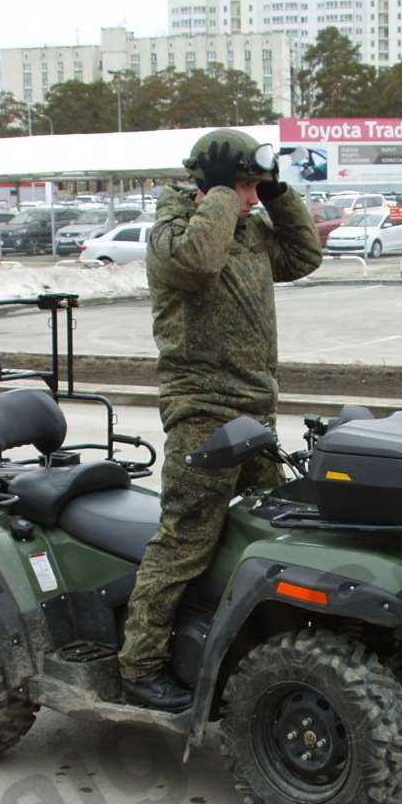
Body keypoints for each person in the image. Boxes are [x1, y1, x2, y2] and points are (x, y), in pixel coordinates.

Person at [117, 129, 323, 712]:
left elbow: (305, 256)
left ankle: (240, 646)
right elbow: (199, 264)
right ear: (210, 183)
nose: (252, 198)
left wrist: (278, 194)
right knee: (185, 541)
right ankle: (141, 665)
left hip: (255, 409)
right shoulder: (173, 235)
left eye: (257, 187)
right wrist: (222, 196)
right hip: (202, 413)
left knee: (266, 535)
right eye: (244, 184)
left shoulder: (250, 230)